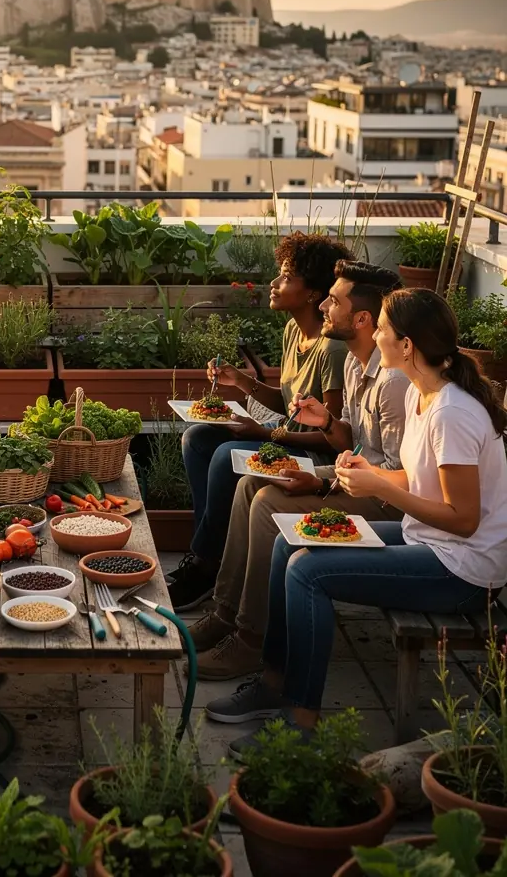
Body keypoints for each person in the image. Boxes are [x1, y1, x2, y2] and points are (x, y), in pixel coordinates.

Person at [207, 288, 507, 759]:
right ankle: (273, 682)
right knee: (289, 541)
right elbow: (419, 477)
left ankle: (301, 720)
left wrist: (379, 488)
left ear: (406, 344)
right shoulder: (424, 396)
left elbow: (465, 520)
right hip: (427, 540)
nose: (376, 335)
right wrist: (369, 474)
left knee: (308, 572)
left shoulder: (452, 412)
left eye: (383, 328)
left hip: (463, 570)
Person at [191, 260, 408, 685]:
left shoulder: (393, 382)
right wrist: (325, 421)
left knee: (267, 503)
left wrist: (323, 482)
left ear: (363, 319)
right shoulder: (356, 364)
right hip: (354, 474)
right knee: (251, 483)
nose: (324, 305)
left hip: (387, 499)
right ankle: (225, 613)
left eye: (335, 301)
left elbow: (399, 476)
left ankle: (251, 639)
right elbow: (350, 439)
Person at [169, 231, 351, 611]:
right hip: (286, 440)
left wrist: (264, 433)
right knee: (198, 438)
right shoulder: (294, 331)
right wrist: (242, 381)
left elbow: (333, 437)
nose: (274, 283)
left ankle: (206, 566)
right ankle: (209, 555)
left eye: (286, 277)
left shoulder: (332, 350)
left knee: (226, 456)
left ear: (313, 294)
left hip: (314, 459)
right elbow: (289, 404)